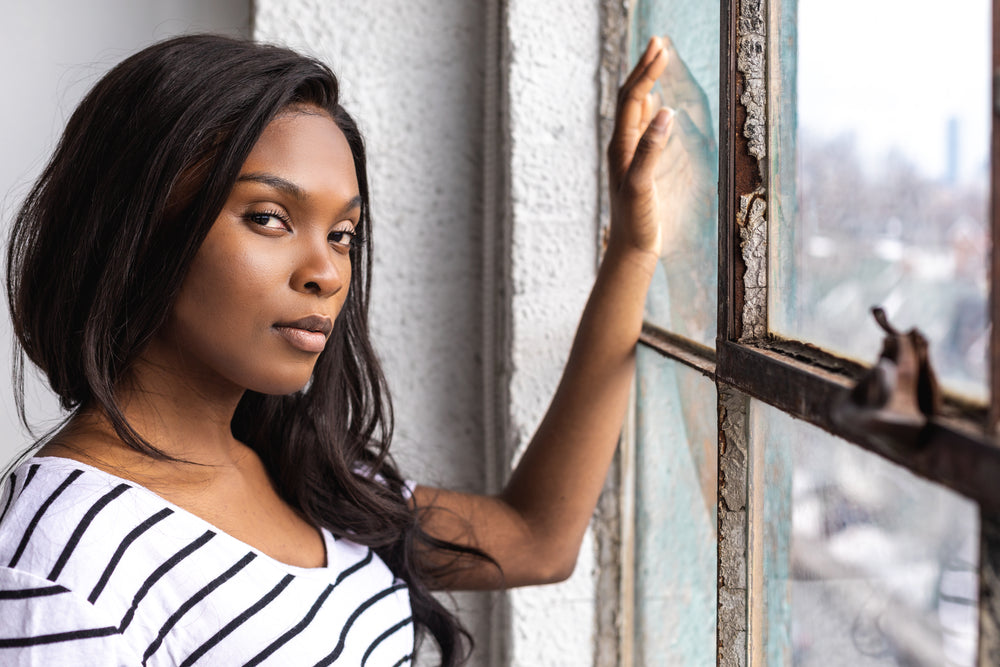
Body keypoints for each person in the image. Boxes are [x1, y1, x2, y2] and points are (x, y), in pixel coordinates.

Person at [0, 34, 673, 665]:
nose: (325, 271)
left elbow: (537, 538)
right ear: (137, 227)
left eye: (344, 233)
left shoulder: (304, 470)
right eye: (269, 217)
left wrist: (633, 252)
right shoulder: (61, 560)